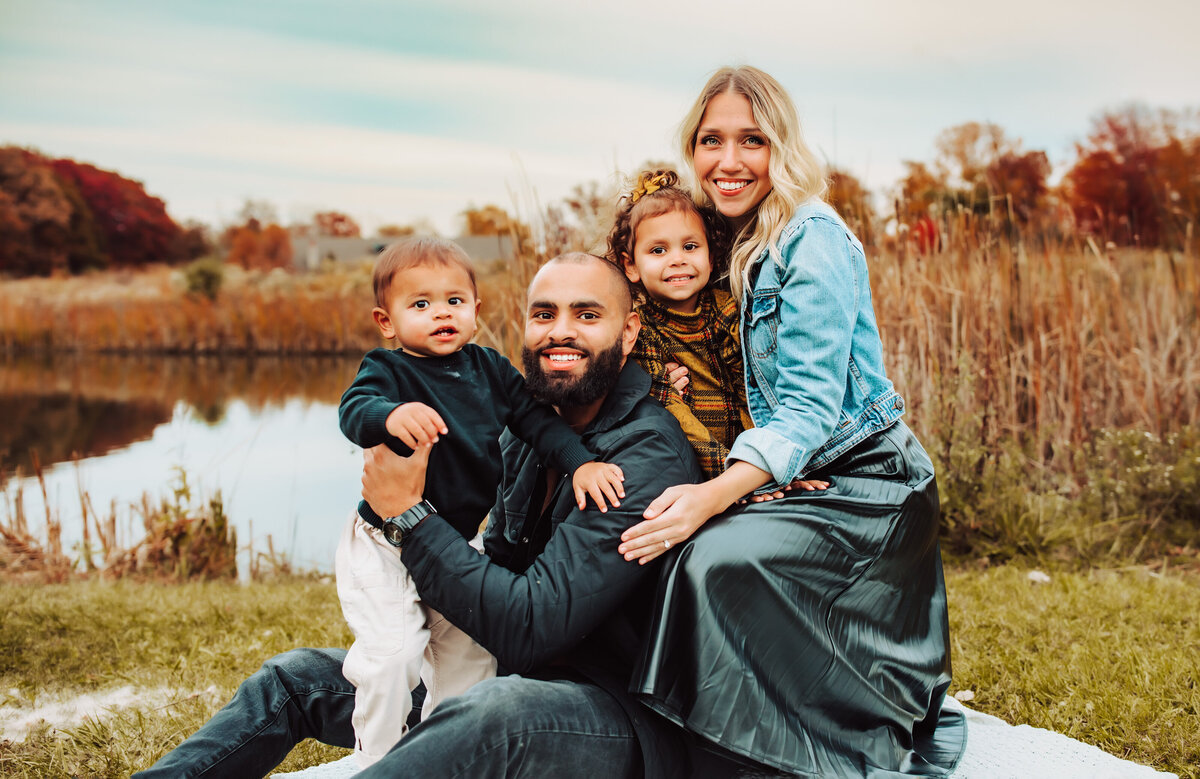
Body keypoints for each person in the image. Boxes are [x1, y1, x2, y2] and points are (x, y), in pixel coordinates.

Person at [133, 253, 719, 779]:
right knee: (297, 679)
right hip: (496, 671)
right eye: (544, 314)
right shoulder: (522, 428)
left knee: (487, 714)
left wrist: (407, 516)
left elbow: (533, 626)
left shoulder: (646, 455)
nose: (560, 332)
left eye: (587, 315)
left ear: (629, 330)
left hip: (602, 707)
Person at [616, 66, 968, 776]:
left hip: (870, 482)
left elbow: (808, 408)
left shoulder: (813, 239)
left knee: (712, 556)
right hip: (797, 474)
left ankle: (785, 749)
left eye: (753, 139)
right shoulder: (718, 233)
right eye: (711, 140)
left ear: (782, 144)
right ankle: (706, 738)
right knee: (669, 551)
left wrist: (714, 495)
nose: (730, 160)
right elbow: (648, 279)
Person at [334, 237, 624, 766]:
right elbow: (354, 410)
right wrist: (390, 416)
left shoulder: (490, 370)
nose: (440, 313)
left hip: (455, 538)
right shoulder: (389, 372)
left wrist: (580, 461)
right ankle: (375, 760)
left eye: (453, 300)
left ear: (475, 310)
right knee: (393, 655)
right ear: (387, 321)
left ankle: (446, 754)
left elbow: (538, 424)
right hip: (384, 541)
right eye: (419, 305)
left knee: (470, 657)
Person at [606, 168, 827, 498]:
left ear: (712, 256)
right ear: (630, 265)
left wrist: (772, 468)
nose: (677, 260)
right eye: (658, 251)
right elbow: (672, 411)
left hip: (754, 457)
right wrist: (731, 473)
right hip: (698, 471)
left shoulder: (731, 310)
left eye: (690, 246)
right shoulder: (641, 331)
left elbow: (755, 391)